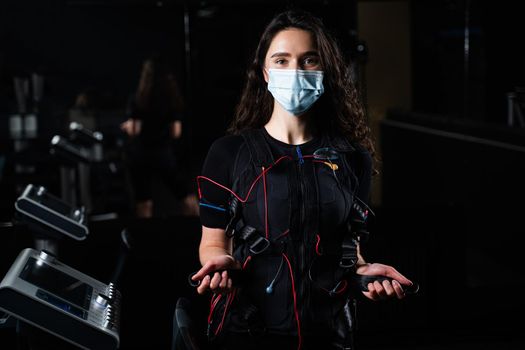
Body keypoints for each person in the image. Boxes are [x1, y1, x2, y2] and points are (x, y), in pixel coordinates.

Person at [191, 9, 414, 350]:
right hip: (247, 334)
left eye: (309, 60)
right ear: (265, 72)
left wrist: (366, 274)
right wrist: (217, 263)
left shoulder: (353, 158)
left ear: (325, 72)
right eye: (282, 60)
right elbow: (213, 243)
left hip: (329, 336)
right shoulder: (227, 154)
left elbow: (349, 252)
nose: (295, 70)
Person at [120, 54, 198, 218]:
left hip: (140, 154)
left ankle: (145, 241)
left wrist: (127, 126)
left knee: (143, 201)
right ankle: (196, 233)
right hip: (163, 154)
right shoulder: (172, 99)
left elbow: (134, 130)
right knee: (185, 196)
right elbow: (176, 133)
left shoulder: (137, 98)